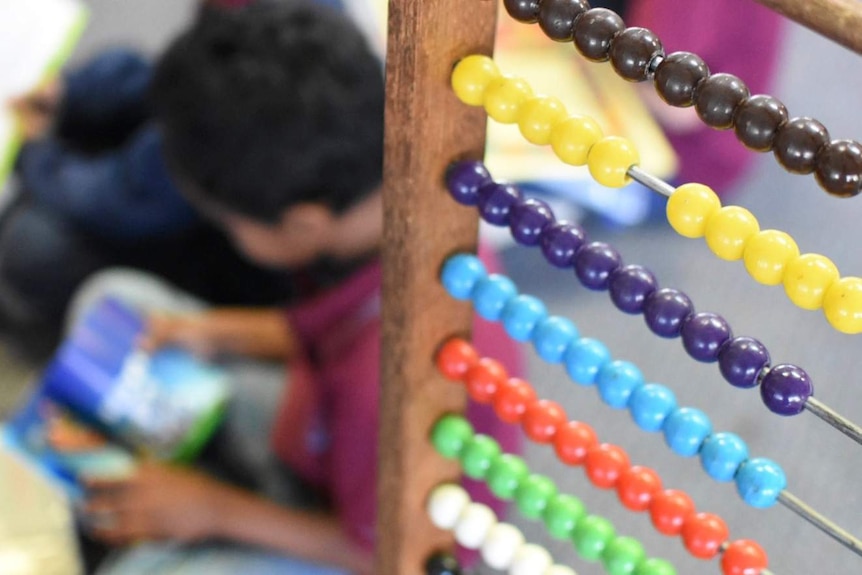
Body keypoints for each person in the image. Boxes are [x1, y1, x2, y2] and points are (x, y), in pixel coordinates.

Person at [72, 3, 521, 573]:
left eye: (229, 225)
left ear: (302, 224)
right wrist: (212, 333)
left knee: (143, 570)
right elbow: (329, 324)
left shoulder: (385, 379)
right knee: (115, 304)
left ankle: (216, 503)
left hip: (376, 532)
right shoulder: (387, 223)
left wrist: (212, 510)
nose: (229, 235)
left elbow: (382, 553)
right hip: (322, 436)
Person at [0, 0, 379, 357]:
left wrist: (35, 154)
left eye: (231, 224)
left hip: (276, 297)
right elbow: (187, 87)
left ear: (302, 225)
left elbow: (308, 330)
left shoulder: (369, 335)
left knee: (39, 247)